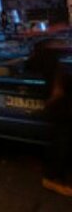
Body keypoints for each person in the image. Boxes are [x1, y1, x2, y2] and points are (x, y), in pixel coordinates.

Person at [43, 46, 72, 196]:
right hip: (63, 108)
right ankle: (53, 178)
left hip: (62, 108)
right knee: (62, 141)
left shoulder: (57, 48)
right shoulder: (59, 52)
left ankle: (54, 177)